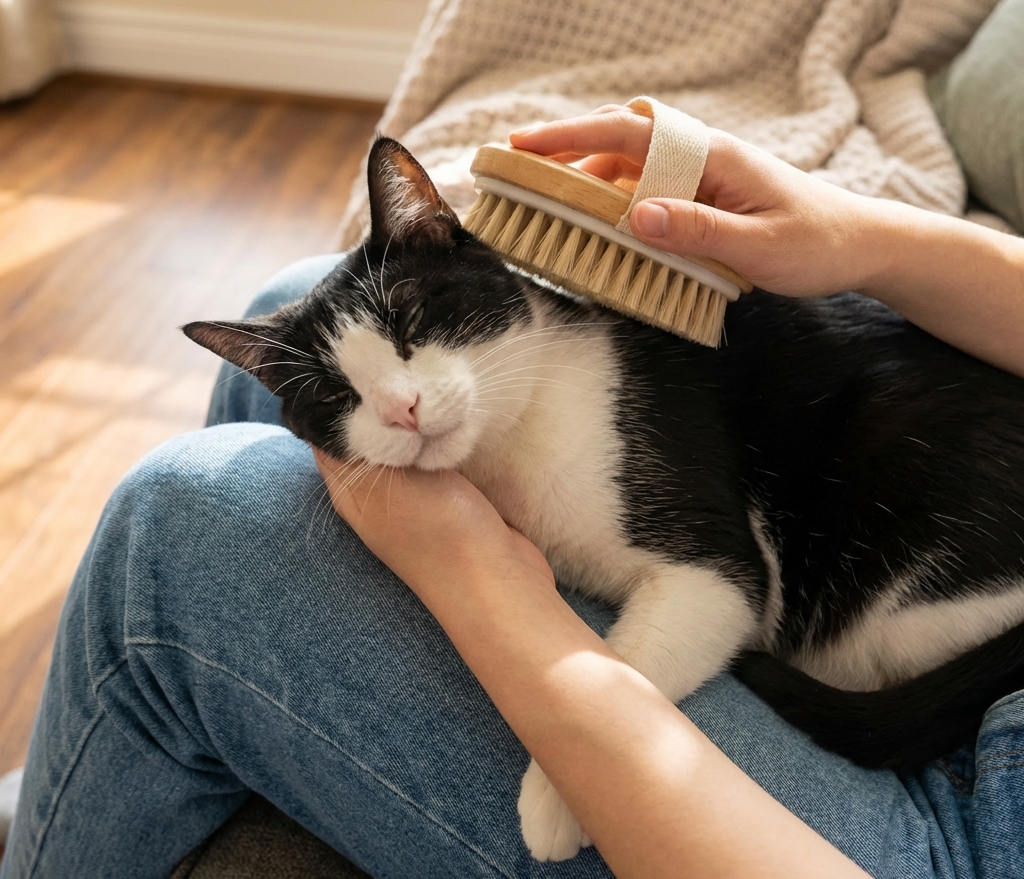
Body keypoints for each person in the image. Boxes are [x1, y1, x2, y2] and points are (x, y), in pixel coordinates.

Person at [3, 106, 1024, 879]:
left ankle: (102, 758)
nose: (400, 405)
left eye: (417, 341)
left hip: (953, 738)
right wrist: (868, 237)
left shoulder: (598, 422)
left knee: (172, 524)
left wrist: (495, 594)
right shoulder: (494, 356)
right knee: (280, 311)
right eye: (360, 397)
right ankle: (134, 749)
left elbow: (717, 587)